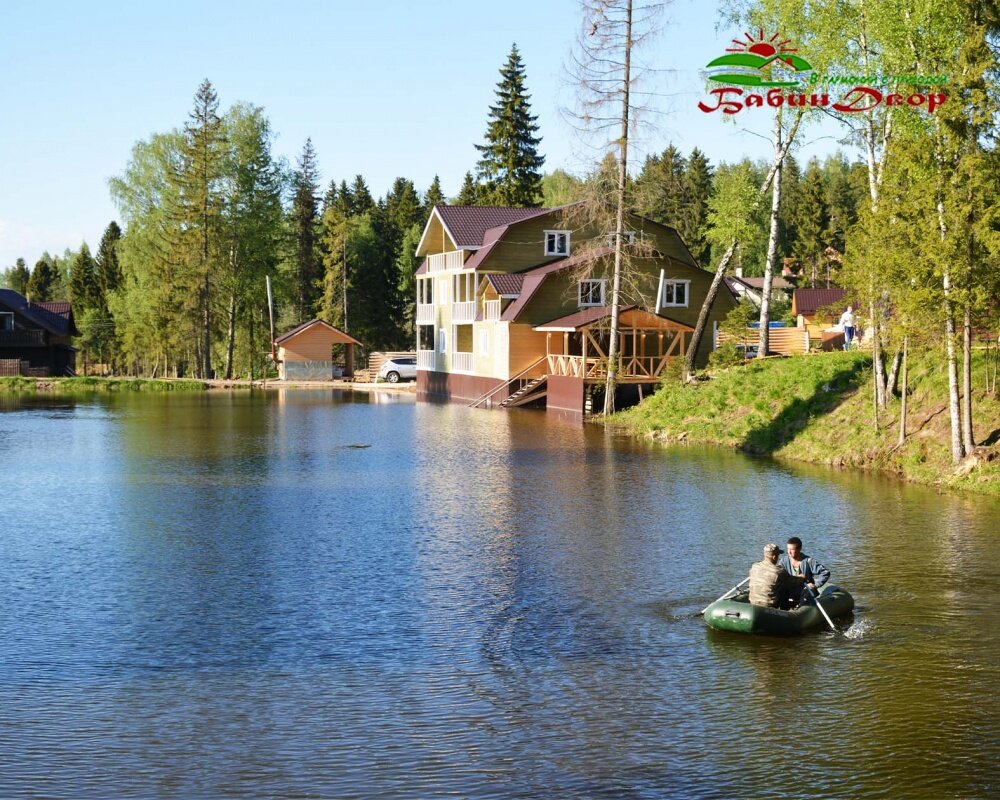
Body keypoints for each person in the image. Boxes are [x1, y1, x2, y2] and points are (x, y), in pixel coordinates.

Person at [778, 536, 831, 607]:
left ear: (799, 549)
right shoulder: (784, 561)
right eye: (788, 549)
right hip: (790, 590)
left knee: (808, 591)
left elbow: (825, 573)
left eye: (792, 549)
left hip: (806, 591)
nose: (789, 552)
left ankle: (802, 608)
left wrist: (815, 585)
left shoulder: (809, 561)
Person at [748, 543, 791, 608]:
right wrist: (801, 577)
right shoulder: (778, 571)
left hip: (752, 602)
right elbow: (793, 582)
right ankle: (785, 610)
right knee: (785, 587)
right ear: (774, 557)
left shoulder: (754, 566)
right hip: (769, 605)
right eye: (778, 555)